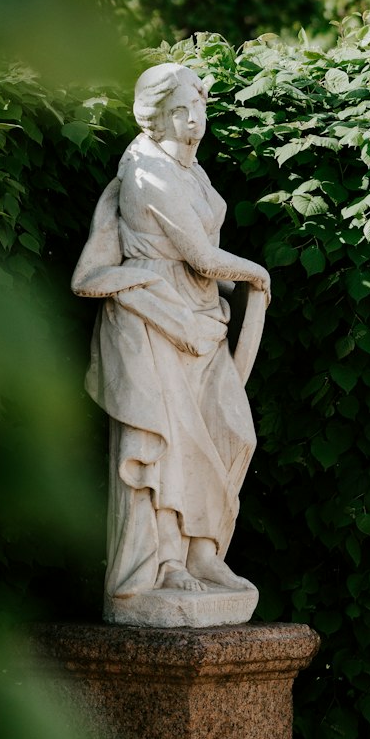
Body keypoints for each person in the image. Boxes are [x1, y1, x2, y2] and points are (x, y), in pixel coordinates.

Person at [72, 62, 270, 612]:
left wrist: (230, 289)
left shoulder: (189, 168)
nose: (193, 121)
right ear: (153, 119)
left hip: (200, 317)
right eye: (180, 112)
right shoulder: (147, 172)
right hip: (153, 317)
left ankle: (204, 552)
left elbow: (203, 264)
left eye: (199, 108)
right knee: (165, 445)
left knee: (232, 432)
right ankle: (162, 566)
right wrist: (258, 275)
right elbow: (202, 256)